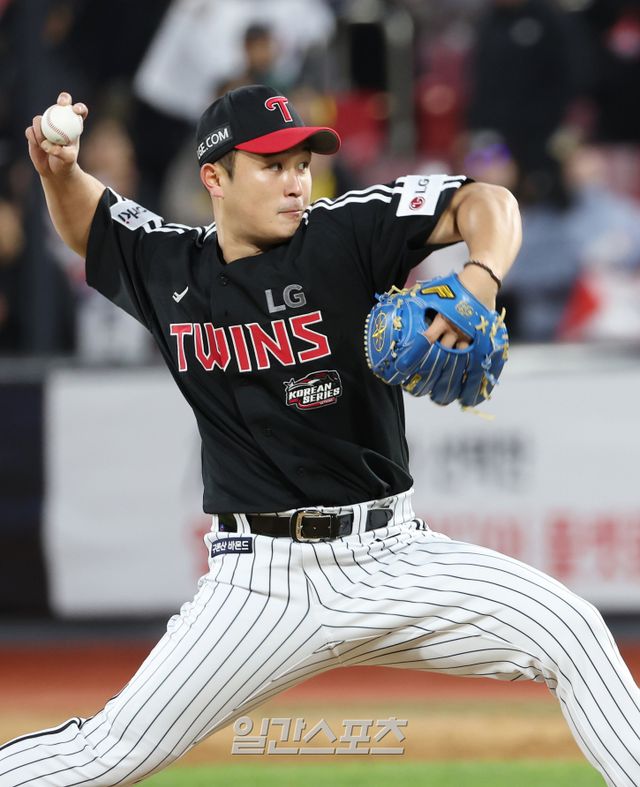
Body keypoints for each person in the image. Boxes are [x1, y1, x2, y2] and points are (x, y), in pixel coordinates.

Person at [2, 84, 638, 786]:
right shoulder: (170, 265)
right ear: (215, 177)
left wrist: (480, 278)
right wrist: (60, 170)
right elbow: (90, 226)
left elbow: (487, 201)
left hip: (392, 555)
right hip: (260, 582)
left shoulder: (346, 230)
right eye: (272, 165)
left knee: (573, 633)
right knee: (109, 752)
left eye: (302, 163)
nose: (296, 181)